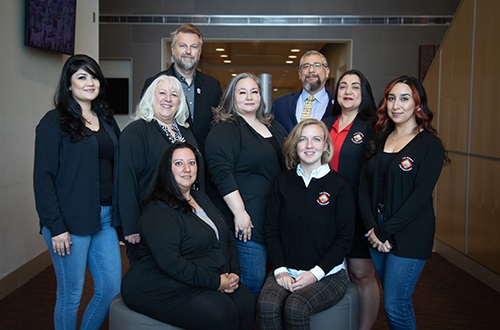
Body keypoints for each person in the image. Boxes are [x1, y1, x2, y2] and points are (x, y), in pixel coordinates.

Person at [121, 142, 255, 330]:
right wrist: (216, 282)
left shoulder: (200, 198)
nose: (186, 169)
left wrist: (233, 273)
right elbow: (172, 263)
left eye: (191, 163)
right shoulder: (158, 210)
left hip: (198, 277)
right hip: (159, 285)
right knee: (222, 314)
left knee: (245, 301)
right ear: (167, 169)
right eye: (178, 163)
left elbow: (226, 238)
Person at [33, 54, 122, 329]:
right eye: (82, 77)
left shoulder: (106, 120)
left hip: (104, 220)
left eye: (94, 76)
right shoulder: (54, 122)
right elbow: (43, 178)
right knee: (71, 294)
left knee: (110, 289)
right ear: (69, 85)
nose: (90, 82)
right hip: (69, 223)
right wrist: (56, 226)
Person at [358, 75, 449, 329]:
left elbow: (420, 197)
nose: (396, 105)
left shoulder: (429, 145)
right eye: (391, 98)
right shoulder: (378, 137)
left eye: (405, 98)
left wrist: (384, 231)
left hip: (410, 233)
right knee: (392, 300)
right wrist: (371, 228)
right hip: (376, 231)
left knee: (395, 305)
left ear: (418, 105)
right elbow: (363, 186)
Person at [258, 118, 355, 329]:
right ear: (295, 145)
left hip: (327, 274)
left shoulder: (340, 186)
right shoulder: (282, 182)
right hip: (286, 271)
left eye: (316, 139)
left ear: (325, 146)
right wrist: (280, 270)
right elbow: (271, 229)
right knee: (266, 303)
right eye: (303, 140)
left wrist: (315, 274)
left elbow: (344, 239)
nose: (309, 146)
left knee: (296, 305)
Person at [205, 73, 287, 297]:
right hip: (246, 226)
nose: (249, 97)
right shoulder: (226, 128)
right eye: (242, 92)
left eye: (254, 91)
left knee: (269, 285)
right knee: (250, 284)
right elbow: (221, 173)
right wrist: (240, 213)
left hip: (271, 220)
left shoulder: (272, 126)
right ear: (232, 97)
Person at [119, 75, 205, 264]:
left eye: (174, 95)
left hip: (187, 222)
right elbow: (125, 180)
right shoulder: (136, 132)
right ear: (151, 97)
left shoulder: (185, 132)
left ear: (180, 102)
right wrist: (130, 226)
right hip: (152, 222)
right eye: (162, 93)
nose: (168, 99)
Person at [322, 69, 380, 330]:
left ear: (364, 93)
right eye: (343, 86)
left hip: (357, 211)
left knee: (361, 273)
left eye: (355, 87)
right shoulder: (326, 123)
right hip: (324, 210)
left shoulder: (372, 127)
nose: (347, 91)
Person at [142, 23, 223, 150]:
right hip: (165, 162)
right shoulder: (154, 84)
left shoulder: (213, 86)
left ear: (199, 51)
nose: (188, 51)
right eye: (183, 46)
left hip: (203, 164)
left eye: (194, 47)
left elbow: (219, 129)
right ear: (173, 50)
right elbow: (146, 128)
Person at [271, 50, 335, 133]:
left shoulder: (338, 106)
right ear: (300, 74)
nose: (311, 70)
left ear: (327, 72)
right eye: (306, 66)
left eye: (317, 65)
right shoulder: (280, 105)